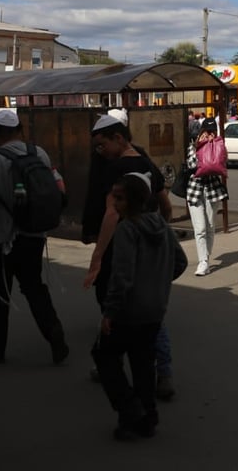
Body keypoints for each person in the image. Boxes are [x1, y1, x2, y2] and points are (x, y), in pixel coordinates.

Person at [84, 112, 179, 401]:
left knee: (117, 307)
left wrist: (97, 258)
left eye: (102, 145)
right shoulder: (144, 161)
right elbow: (166, 204)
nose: (101, 152)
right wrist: (158, 231)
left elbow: (111, 214)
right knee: (152, 315)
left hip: (122, 248)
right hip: (153, 248)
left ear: (118, 138)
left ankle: (110, 362)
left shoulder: (117, 169)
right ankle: (163, 372)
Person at [92, 172, 187, 440]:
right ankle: (147, 417)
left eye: (120, 198)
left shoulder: (127, 229)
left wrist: (110, 311)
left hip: (129, 311)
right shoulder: (161, 226)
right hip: (155, 309)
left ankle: (130, 410)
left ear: (133, 200)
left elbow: (122, 276)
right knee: (143, 364)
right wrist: (157, 284)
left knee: (105, 356)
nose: (115, 203)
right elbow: (179, 263)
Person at [0, 109, 69, 365]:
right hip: (34, 236)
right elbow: (57, 187)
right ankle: (54, 332)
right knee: (34, 288)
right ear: (19, 131)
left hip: (1, 239)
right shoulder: (39, 154)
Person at [184, 118, 227, 276]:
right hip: (194, 190)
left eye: (212, 131)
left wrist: (214, 145)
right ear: (201, 131)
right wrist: (200, 146)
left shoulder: (218, 144)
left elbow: (222, 163)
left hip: (212, 189)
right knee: (200, 228)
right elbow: (191, 165)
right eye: (206, 131)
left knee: (210, 226)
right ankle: (203, 261)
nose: (209, 134)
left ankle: (206, 258)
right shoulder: (193, 146)